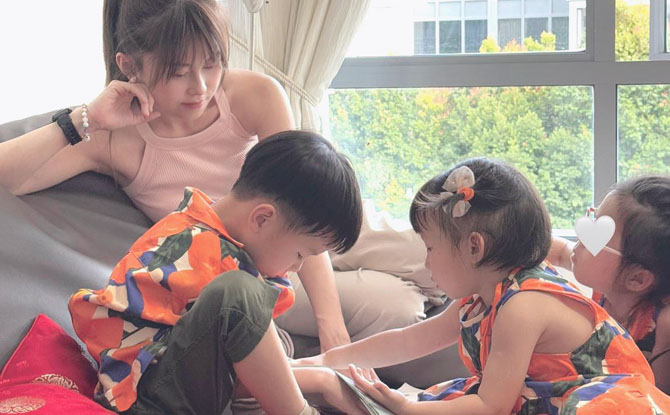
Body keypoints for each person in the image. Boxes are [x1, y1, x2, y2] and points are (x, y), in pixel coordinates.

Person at [0, 0, 352, 355]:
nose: (200, 87)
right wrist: (84, 118)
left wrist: (333, 331)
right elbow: (11, 177)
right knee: (381, 308)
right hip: (250, 283)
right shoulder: (112, 139)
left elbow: (305, 208)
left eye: (212, 64)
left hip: (306, 246)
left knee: (379, 271)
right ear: (129, 66)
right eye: (179, 72)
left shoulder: (254, 96)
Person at [295, 158, 670, 415]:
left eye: (431, 249)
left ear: (475, 248)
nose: (426, 262)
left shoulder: (523, 306)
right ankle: (304, 374)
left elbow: (491, 406)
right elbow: (407, 341)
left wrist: (408, 407)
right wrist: (329, 358)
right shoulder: (482, 296)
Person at [68, 131, 365, 414]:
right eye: (300, 254)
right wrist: (320, 379)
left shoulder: (216, 234)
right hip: (145, 399)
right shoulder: (197, 251)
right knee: (238, 295)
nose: (297, 268)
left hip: (179, 384)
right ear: (262, 219)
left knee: (274, 337)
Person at [549, 175, 670, 394]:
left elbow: (659, 398)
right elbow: (557, 251)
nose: (580, 240)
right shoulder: (606, 284)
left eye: (597, 239)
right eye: (593, 220)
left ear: (637, 279)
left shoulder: (664, 323)